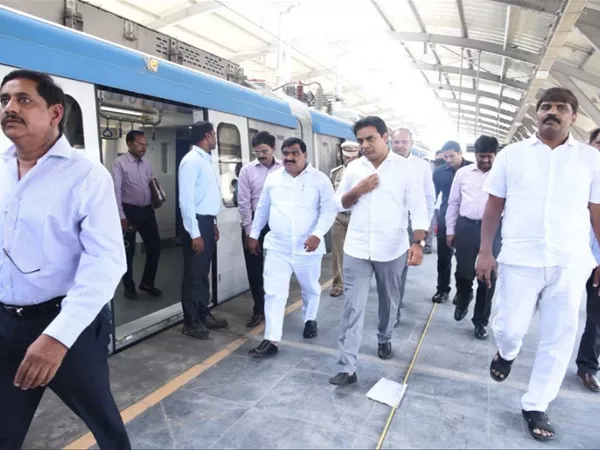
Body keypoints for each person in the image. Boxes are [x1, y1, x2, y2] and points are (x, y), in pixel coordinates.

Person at [0, 69, 130, 448]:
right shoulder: (1, 169)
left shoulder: (87, 176)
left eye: (24, 99)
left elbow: (106, 262)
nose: (10, 107)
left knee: (104, 424)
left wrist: (57, 338)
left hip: (67, 328)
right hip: (6, 326)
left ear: (55, 113)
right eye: (5, 100)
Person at [476, 87, 600, 441]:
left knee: (559, 336)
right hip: (520, 258)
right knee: (511, 327)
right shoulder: (511, 155)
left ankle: (536, 404)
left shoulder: (591, 160)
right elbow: (493, 206)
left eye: (561, 108)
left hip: (570, 260)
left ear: (573, 117)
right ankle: (508, 351)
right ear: (536, 113)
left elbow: (597, 211)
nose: (553, 112)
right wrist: (486, 251)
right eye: (547, 106)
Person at [329, 116, 429, 386]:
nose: (365, 145)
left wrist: (418, 243)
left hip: (392, 248)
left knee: (389, 300)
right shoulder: (354, 169)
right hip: (357, 248)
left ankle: (384, 337)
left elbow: (419, 208)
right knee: (353, 306)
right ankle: (347, 367)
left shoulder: (406, 170)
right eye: (360, 140)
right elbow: (339, 203)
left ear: (385, 137)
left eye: (370, 138)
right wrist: (358, 191)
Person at [247, 137, 336, 357]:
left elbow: (329, 210)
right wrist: (254, 234)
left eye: (295, 153)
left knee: (310, 288)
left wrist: (317, 234)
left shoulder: (320, 180)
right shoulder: (273, 178)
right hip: (278, 246)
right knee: (274, 293)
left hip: (308, 247)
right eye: (286, 153)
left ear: (305, 155)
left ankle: (310, 319)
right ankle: (271, 339)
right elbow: (263, 209)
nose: (289, 157)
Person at [446, 135, 500, 340]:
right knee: (464, 272)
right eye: (481, 156)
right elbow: (453, 203)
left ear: (496, 155)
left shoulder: (502, 174)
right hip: (467, 226)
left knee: (488, 277)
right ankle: (464, 295)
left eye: (489, 156)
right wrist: (450, 230)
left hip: (494, 230)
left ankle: (480, 321)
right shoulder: (463, 173)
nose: (485, 160)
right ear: (474, 154)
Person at [178, 121, 228, 340]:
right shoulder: (191, 161)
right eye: (214, 135)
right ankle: (191, 322)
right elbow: (186, 201)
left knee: (202, 274)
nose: (215, 138)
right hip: (195, 223)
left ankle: (203, 313)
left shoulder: (205, 160)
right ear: (208, 136)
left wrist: (213, 223)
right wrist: (194, 233)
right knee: (193, 275)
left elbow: (205, 196)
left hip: (206, 222)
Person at [238, 131, 282, 327]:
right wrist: (249, 233)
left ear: (273, 148)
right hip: (255, 222)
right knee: (254, 268)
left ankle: (276, 307)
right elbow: (244, 202)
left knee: (278, 267)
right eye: (257, 152)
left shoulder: (285, 168)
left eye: (264, 151)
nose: (261, 155)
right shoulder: (247, 170)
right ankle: (259, 309)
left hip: (279, 223)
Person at [391, 128, 435, 321]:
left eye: (403, 142)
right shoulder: (383, 163)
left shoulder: (422, 166)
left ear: (411, 143)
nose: (399, 146)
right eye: (396, 142)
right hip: (388, 222)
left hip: (411, 223)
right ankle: (391, 302)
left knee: (400, 267)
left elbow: (428, 197)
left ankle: (395, 308)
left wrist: (423, 227)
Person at [113, 130, 162, 300]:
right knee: (129, 251)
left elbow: (151, 184)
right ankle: (129, 287)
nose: (144, 147)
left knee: (155, 247)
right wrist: (121, 216)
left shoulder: (147, 164)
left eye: (145, 144)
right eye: (140, 144)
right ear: (129, 144)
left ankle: (147, 282)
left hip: (147, 211)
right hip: (129, 211)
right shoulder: (120, 163)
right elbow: (116, 191)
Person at [574, 126, 600, 393]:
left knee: (596, 317)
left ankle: (588, 368)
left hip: (598, 260)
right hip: (568, 254)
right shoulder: (572, 177)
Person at [432, 141, 472, 304]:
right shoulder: (439, 172)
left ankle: (462, 292)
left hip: (466, 220)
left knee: (464, 259)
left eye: (451, 156)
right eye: (445, 156)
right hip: (445, 218)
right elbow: (433, 196)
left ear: (460, 153)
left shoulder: (472, 169)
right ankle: (442, 289)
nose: (448, 159)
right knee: (443, 257)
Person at [329, 141, 360, 297]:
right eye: (346, 157)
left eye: (352, 157)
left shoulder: (365, 172)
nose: (349, 160)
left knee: (357, 253)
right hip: (339, 218)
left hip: (357, 218)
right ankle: (338, 283)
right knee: (337, 252)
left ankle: (357, 283)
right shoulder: (335, 173)